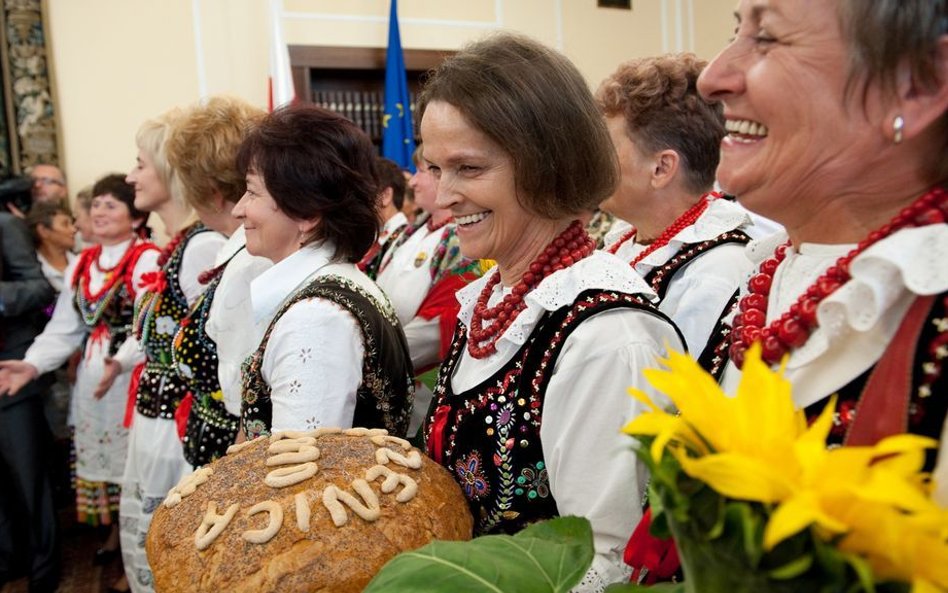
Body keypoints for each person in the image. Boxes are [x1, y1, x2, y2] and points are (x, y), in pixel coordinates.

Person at [419, 33, 685, 591]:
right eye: (434, 168)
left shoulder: (606, 338)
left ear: (546, 165)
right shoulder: (494, 300)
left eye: (467, 168)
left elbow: (604, 566)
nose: (441, 197)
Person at [696, 0, 948, 499]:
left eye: (766, 37)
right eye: (735, 31)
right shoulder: (768, 274)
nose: (712, 77)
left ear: (917, 87)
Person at [1, 175, 158, 573]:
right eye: (96, 205)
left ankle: (142, 557)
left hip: (131, 377)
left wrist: (120, 362)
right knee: (108, 474)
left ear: (135, 215)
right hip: (92, 378)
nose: (99, 212)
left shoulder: (147, 258)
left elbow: (149, 326)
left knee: (136, 471)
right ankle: (122, 549)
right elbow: (65, 328)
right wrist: (33, 363)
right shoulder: (83, 264)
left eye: (111, 205)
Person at [234, 103, 414, 440]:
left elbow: (300, 476)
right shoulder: (338, 285)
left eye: (252, 192)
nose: (238, 209)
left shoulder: (316, 318)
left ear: (307, 212)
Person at [120, 109, 225, 593]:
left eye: (140, 163)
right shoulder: (180, 246)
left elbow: (216, 349)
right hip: (157, 418)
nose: (130, 175)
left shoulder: (200, 248)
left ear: (166, 170)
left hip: (176, 426)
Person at [596, 53, 755, 359]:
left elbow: (671, 396)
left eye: (606, 148)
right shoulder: (627, 240)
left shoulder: (714, 272)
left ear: (661, 168)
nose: (592, 161)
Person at [165, 95, 270, 467]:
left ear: (206, 189)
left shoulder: (249, 264)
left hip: (234, 452)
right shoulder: (238, 256)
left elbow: (248, 397)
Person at [375, 145, 482, 434]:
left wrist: (370, 357)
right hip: (383, 382)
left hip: (420, 403)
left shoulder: (461, 241)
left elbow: (440, 324)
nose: (412, 182)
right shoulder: (410, 234)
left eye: (422, 171)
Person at [0, 211, 56, 593]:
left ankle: (44, 568)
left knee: (28, 477)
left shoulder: (4, 225)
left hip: (10, 373)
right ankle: (7, 560)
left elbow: (39, 288)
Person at [357, 157, 409, 280]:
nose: (356, 200)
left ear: (385, 196)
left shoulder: (406, 242)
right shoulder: (372, 237)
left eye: (363, 191)